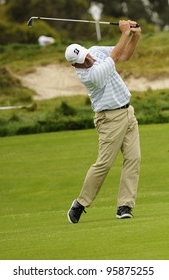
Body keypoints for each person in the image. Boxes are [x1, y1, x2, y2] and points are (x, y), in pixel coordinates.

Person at [65, 20, 141, 223]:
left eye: (86, 55)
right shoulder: (89, 75)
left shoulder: (94, 51)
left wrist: (135, 36)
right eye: (83, 60)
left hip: (127, 112)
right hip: (109, 119)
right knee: (104, 164)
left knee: (133, 159)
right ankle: (80, 203)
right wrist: (124, 32)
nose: (89, 59)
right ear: (75, 65)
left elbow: (123, 54)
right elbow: (115, 57)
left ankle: (124, 206)